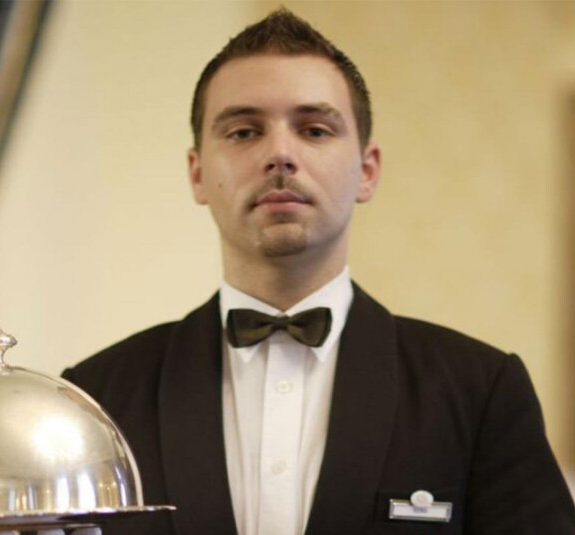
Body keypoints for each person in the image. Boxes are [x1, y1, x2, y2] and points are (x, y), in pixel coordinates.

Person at [62, 9, 575, 535]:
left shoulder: (480, 392)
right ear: (197, 173)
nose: (280, 154)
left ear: (367, 171)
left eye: (314, 129)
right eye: (244, 131)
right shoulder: (93, 403)